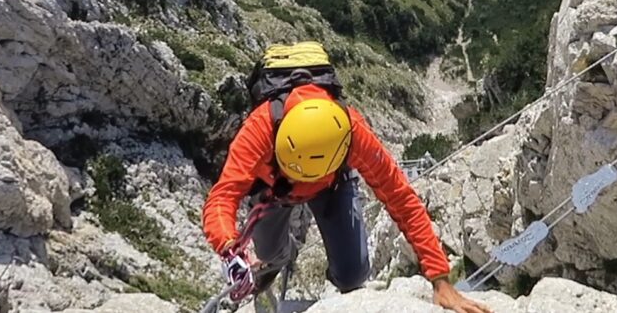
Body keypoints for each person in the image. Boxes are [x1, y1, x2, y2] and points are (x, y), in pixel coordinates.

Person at [202, 64, 492, 313]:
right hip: (276, 188)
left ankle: (286, 257)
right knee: (269, 255)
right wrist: (230, 247)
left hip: (329, 185)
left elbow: (401, 197)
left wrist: (440, 279)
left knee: (352, 276)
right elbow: (222, 197)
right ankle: (281, 256)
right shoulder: (260, 128)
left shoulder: (353, 131)